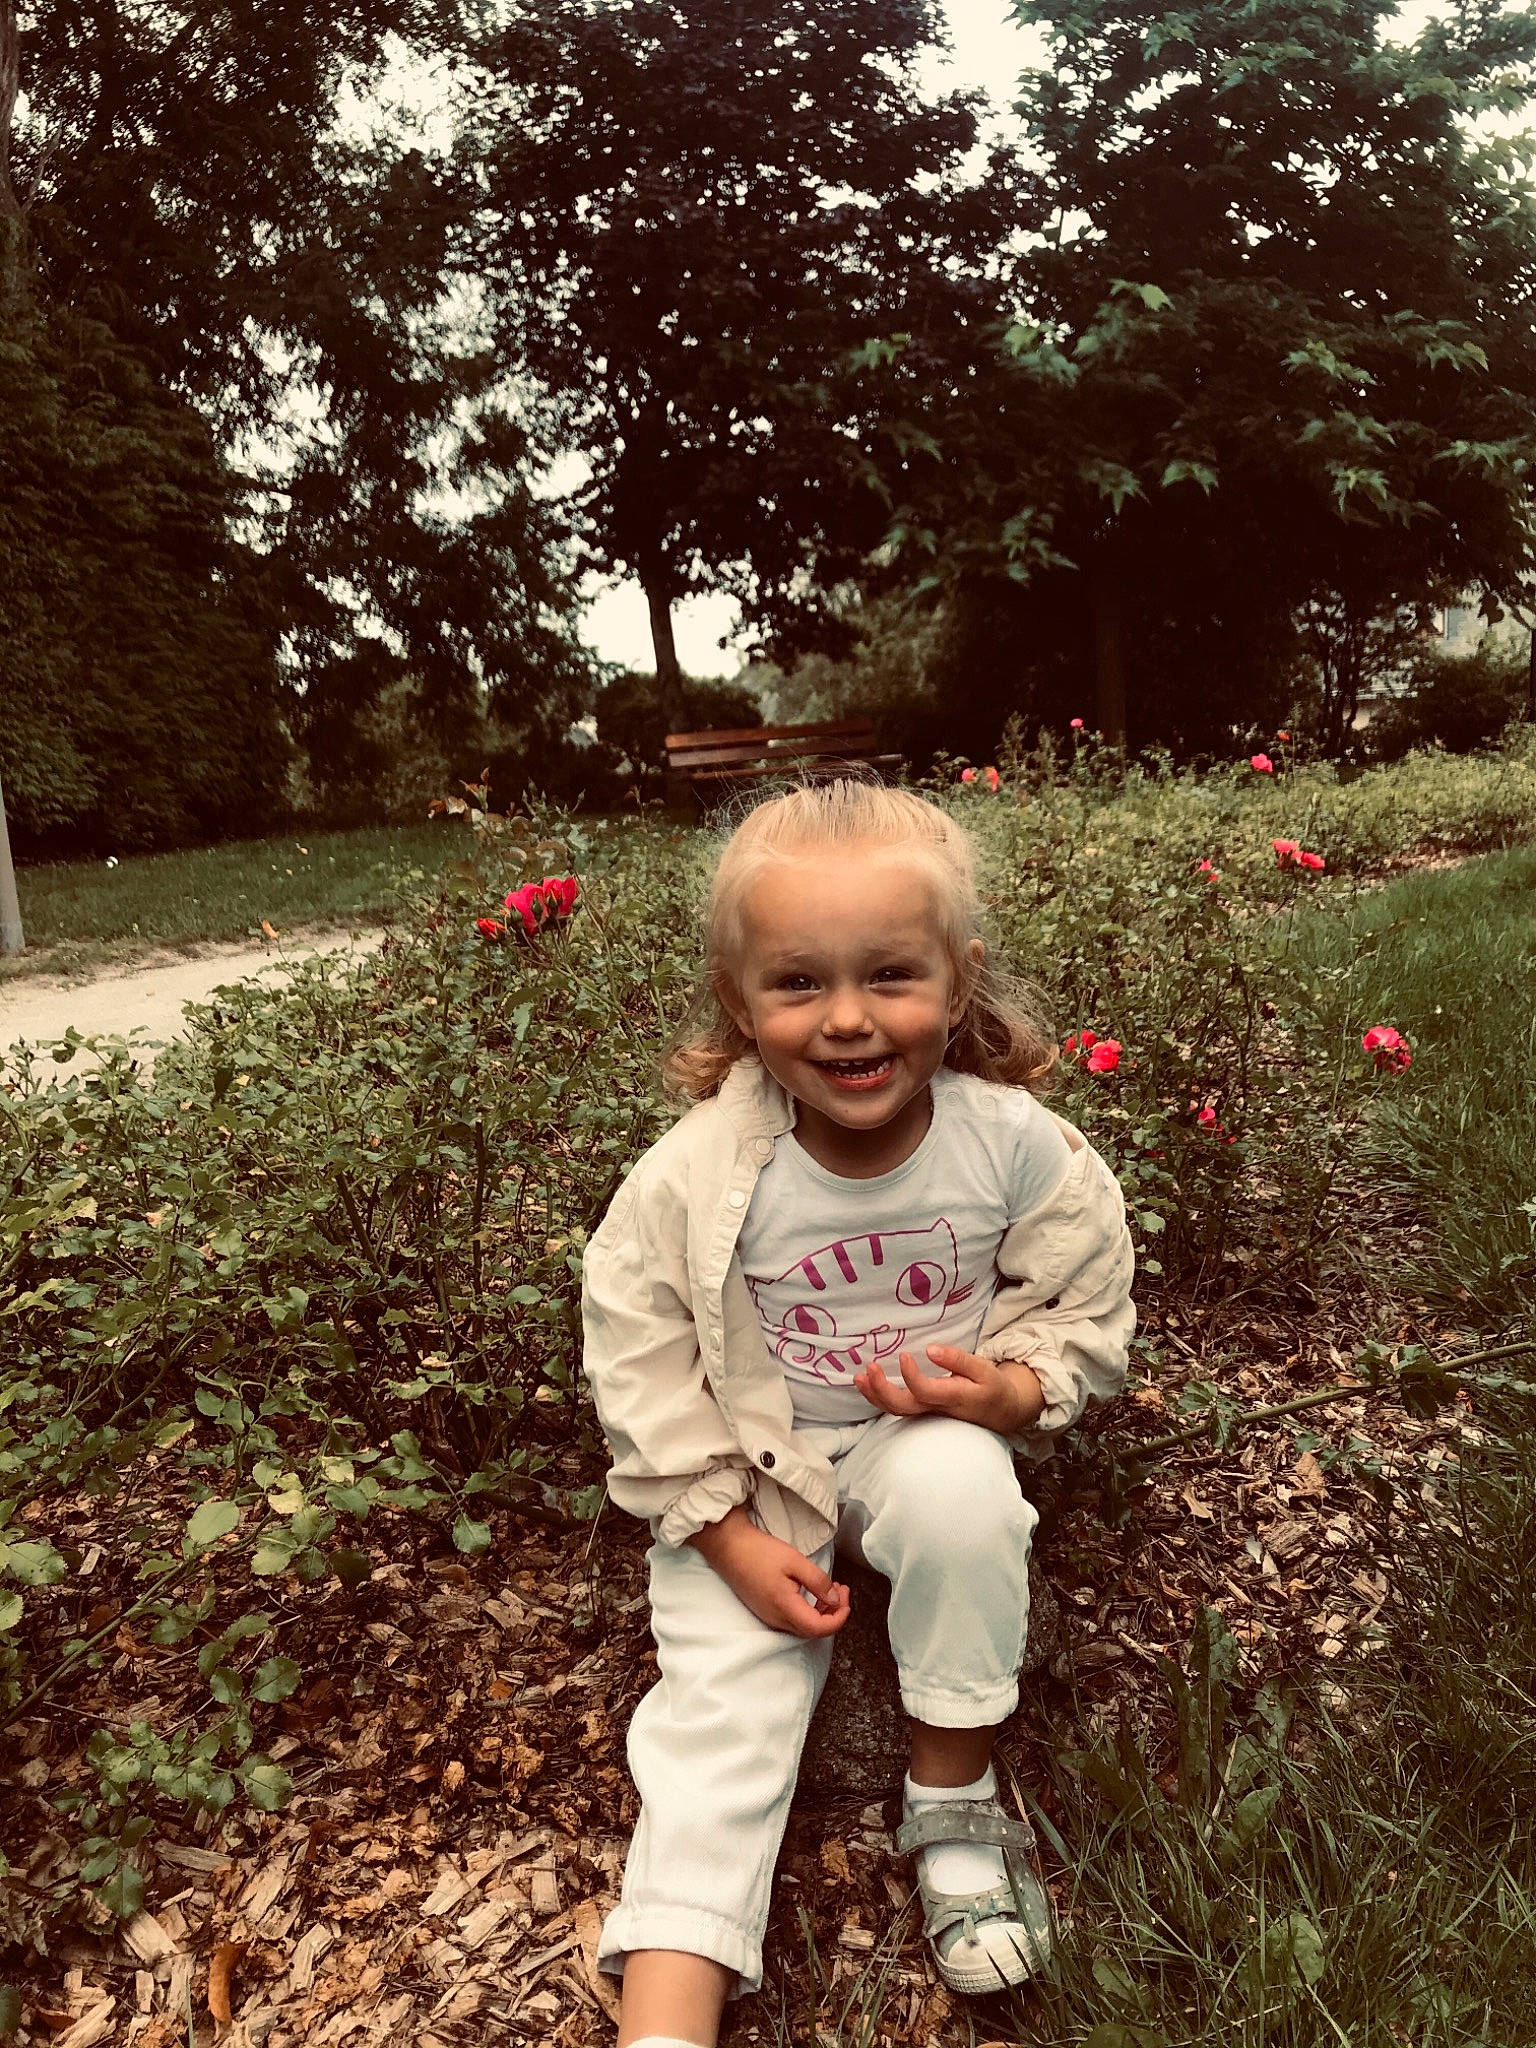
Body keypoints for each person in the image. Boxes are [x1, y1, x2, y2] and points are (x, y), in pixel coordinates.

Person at [581, 780, 1136, 2048]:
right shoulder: (697, 1175)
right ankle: (665, 2016)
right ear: (739, 1000)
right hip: (756, 1469)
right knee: (720, 1714)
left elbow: (1085, 1288)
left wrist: (1012, 1387)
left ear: (959, 975)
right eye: (797, 984)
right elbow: (641, 1347)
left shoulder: (1011, 1146)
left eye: (890, 972)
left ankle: (953, 1797)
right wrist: (722, 1530)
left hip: (908, 1434)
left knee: (960, 1487)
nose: (847, 1020)